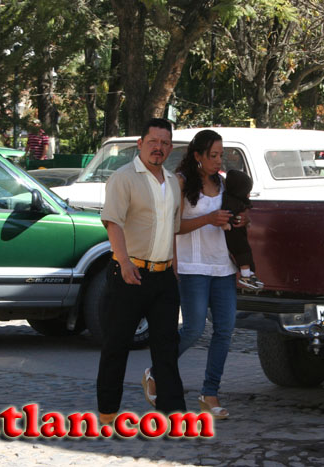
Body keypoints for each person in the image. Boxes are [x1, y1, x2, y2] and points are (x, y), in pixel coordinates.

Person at [144, 129, 249, 420]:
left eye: (221, 155)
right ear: (197, 156)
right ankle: (156, 371)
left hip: (223, 266)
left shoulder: (224, 184)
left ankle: (210, 393)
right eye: (213, 155)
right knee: (193, 329)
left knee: (225, 330)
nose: (218, 161)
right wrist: (208, 219)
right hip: (192, 267)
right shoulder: (180, 182)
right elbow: (173, 226)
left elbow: (240, 215)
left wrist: (242, 219)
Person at [97, 118, 186, 425]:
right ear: (140, 144)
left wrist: (174, 267)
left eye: (164, 143)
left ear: (170, 148)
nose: (158, 148)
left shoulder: (172, 182)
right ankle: (108, 412)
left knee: (167, 347)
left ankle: (173, 413)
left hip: (164, 276)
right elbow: (113, 222)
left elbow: (172, 229)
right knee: (116, 345)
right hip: (129, 272)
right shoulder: (123, 178)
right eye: (152, 142)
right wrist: (123, 262)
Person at [221, 169, 263, 290]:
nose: (248, 195)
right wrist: (228, 224)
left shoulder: (237, 200)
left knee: (246, 251)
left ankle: (250, 273)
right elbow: (227, 213)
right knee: (242, 252)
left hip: (239, 232)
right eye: (247, 192)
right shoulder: (231, 202)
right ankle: (245, 275)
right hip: (234, 234)